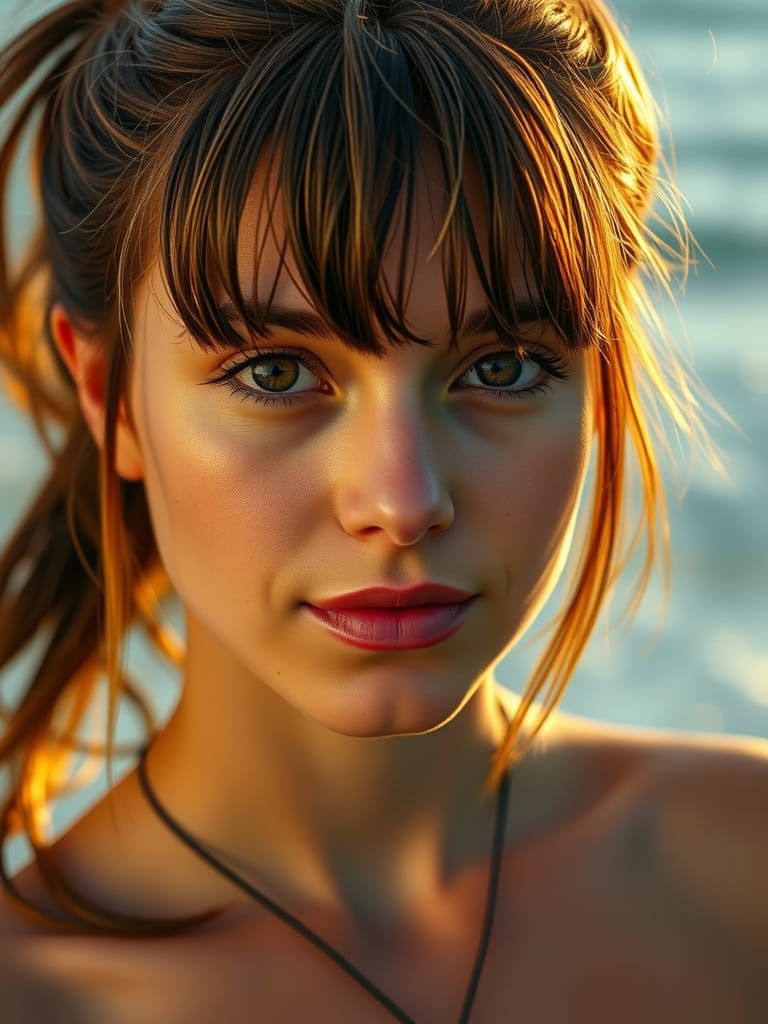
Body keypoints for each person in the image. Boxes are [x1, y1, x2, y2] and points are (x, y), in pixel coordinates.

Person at [0, 0, 765, 1020]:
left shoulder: (743, 879)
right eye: (276, 372)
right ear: (109, 395)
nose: (403, 502)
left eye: (502, 365)